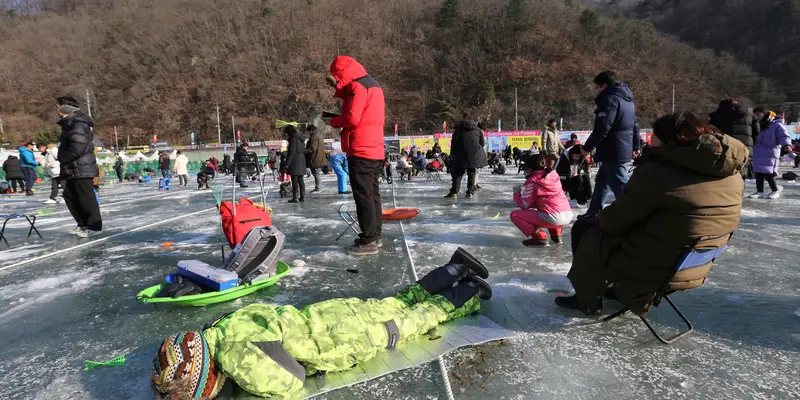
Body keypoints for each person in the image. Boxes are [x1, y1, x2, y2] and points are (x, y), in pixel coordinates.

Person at [151, 249, 491, 399]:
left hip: (347, 339)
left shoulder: (235, 356)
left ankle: (468, 291)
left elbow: (291, 382)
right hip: (332, 314)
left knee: (415, 319)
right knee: (398, 301)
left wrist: (243, 379)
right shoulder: (224, 325)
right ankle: (453, 270)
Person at [556, 112, 745, 315]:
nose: (649, 140)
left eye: (653, 135)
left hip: (656, 265)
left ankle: (587, 299)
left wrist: (599, 218)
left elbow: (615, 221)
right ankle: (616, 290)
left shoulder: (658, 171)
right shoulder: (730, 172)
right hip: (695, 262)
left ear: (668, 140)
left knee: (585, 229)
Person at [325, 55, 385, 255]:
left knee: (364, 197)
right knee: (372, 195)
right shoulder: (372, 85)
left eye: (336, 76)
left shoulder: (357, 87)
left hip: (361, 149)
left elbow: (352, 117)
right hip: (374, 149)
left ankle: (369, 240)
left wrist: (333, 122)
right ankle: (374, 235)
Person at [579, 70, 641, 220]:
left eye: (599, 87)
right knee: (602, 182)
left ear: (604, 85)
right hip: (620, 148)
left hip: (613, 149)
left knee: (620, 184)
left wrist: (587, 148)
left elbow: (603, 127)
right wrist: (635, 146)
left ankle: (635, 215)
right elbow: (635, 126)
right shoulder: (627, 101)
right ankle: (594, 211)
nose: (598, 90)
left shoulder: (609, 99)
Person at [56, 95, 102, 238]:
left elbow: (79, 146)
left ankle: (93, 226)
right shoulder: (69, 123)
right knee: (70, 196)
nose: (56, 110)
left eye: (58, 107)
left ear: (65, 108)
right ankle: (82, 224)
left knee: (85, 197)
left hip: (81, 167)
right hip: (71, 168)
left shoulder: (77, 123)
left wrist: (64, 158)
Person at [510, 154, 573, 246]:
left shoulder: (532, 181)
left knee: (515, 215)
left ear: (530, 169)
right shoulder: (553, 175)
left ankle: (539, 237)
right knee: (550, 209)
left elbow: (525, 205)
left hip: (552, 217)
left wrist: (516, 193)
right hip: (567, 214)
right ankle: (557, 235)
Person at [709, 98, 761, 179]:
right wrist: (753, 141)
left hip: (728, 144)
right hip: (746, 145)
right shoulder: (749, 112)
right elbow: (757, 130)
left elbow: (712, 124)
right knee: (742, 170)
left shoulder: (723, 112)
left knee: (727, 169)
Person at [749, 111, 791, 199]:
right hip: (758, 151)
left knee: (769, 173)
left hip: (770, 152)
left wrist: (786, 145)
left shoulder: (777, 125)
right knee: (758, 173)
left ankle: (775, 190)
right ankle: (759, 191)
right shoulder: (760, 125)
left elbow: (783, 136)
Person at [446, 114, 486, 199]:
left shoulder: (459, 130)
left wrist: (453, 153)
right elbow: (482, 143)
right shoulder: (478, 130)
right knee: (471, 173)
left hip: (460, 155)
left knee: (458, 174)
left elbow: (454, 142)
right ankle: (470, 192)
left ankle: (454, 192)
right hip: (474, 155)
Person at [281, 125, 307, 203]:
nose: (286, 135)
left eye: (286, 133)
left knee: (295, 181)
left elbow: (291, 153)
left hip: (295, 162)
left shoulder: (293, 139)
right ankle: (302, 197)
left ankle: (295, 198)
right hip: (301, 161)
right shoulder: (300, 139)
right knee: (301, 180)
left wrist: (287, 165)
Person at [304, 124, 326, 193]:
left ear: (311, 130)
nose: (308, 133)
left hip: (315, 158)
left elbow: (313, 149)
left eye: (308, 132)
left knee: (316, 173)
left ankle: (318, 188)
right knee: (317, 173)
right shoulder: (319, 135)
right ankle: (318, 187)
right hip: (319, 157)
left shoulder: (314, 137)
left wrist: (304, 150)